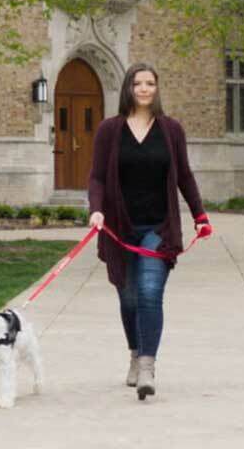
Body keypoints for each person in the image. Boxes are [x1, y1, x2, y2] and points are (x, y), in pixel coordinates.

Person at [87, 62, 212, 401]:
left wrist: (199, 215)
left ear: (157, 89)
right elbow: (97, 177)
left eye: (150, 84)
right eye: (137, 83)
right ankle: (134, 351)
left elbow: (184, 175)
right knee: (128, 298)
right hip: (119, 225)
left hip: (159, 226)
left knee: (149, 291)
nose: (143, 89)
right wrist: (96, 209)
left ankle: (146, 365)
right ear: (128, 88)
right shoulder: (109, 131)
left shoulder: (171, 130)